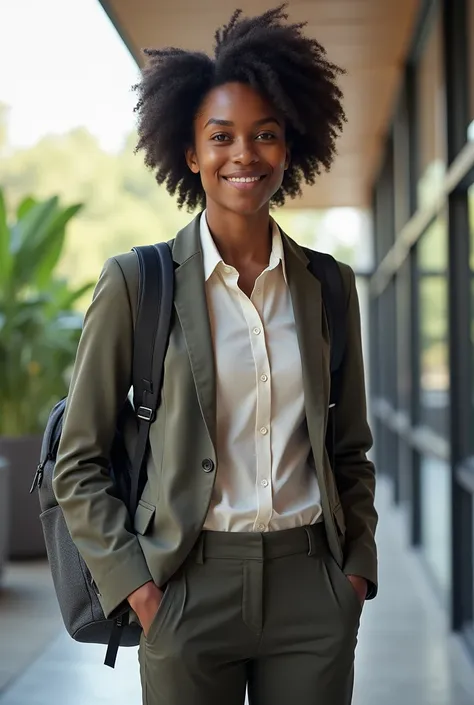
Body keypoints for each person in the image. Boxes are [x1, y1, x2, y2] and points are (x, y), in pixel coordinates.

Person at [53, 5, 378, 704]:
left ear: (290, 147)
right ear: (191, 152)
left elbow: (350, 446)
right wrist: (139, 590)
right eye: (221, 136)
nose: (245, 154)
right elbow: (76, 461)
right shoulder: (138, 284)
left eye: (265, 134)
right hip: (184, 585)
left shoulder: (327, 285)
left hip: (311, 587)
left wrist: (353, 572)